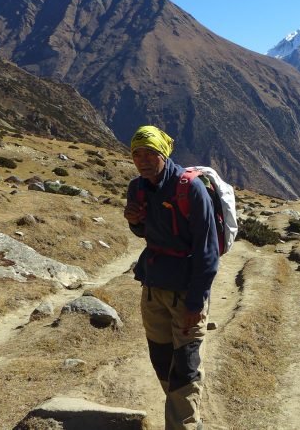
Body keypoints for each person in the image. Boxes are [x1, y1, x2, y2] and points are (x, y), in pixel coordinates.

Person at [123, 125, 218, 430]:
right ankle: (186, 415)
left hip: (185, 294)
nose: (143, 159)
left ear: (163, 154)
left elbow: (208, 252)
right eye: (137, 153)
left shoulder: (191, 189)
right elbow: (146, 232)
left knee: (186, 366)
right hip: (152, 290)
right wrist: (135, 223)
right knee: (162, 360)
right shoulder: (136, 188)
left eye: (150, 153)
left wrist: (195, 303)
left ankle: (185, 424)